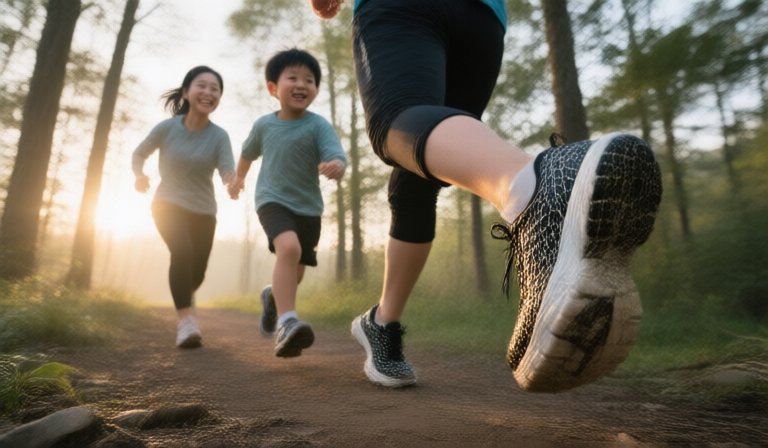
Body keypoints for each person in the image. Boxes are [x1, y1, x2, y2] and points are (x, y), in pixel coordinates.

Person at [310, 0, 662, 392]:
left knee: (397, 119)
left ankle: (531, 190)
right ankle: (383, 322)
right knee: (419, 178)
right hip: (482, 19)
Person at [228, 48, 347, 358]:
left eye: (309, 80)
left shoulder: (318, 125)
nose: (301, 84)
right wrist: (238, 179)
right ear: (273, 88)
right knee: (289, 250)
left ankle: (272, 297)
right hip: (272, 200)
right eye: (292, 77)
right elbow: (247, 153)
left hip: (309, 208)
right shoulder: (264, 125)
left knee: (297, 270)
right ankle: (286, 322)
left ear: (316, 90)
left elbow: (336, 154)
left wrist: (337, 165)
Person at [132, 66, 235, 349]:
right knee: (183, 251)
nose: (208, 93)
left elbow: (227, 167)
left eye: (215, 89)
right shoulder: (167, 128)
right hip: (167, 203)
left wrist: (232, 181)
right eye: (202, 86)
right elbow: (140, 152)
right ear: (187, 91)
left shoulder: (219, 136)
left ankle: (184, 298)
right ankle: (186, 322)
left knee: (197, 269)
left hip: (204, 210)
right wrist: (139, 175)